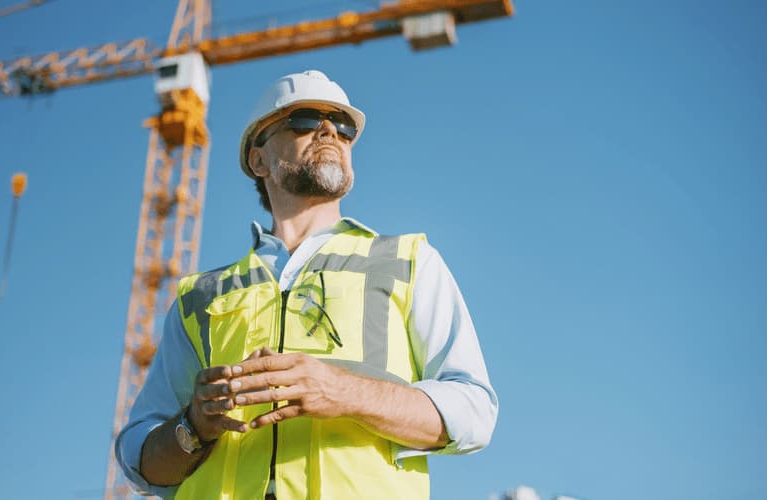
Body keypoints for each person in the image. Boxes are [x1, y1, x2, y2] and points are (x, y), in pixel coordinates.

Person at [115, 69, 498, 499]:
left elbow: (473, 412)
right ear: (258, 159)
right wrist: (192, 427)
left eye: (344, 127)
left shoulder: (409, 262)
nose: (330, 130)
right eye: (303, 120)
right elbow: (138, 459)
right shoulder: (199, 297)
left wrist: (342, 391)